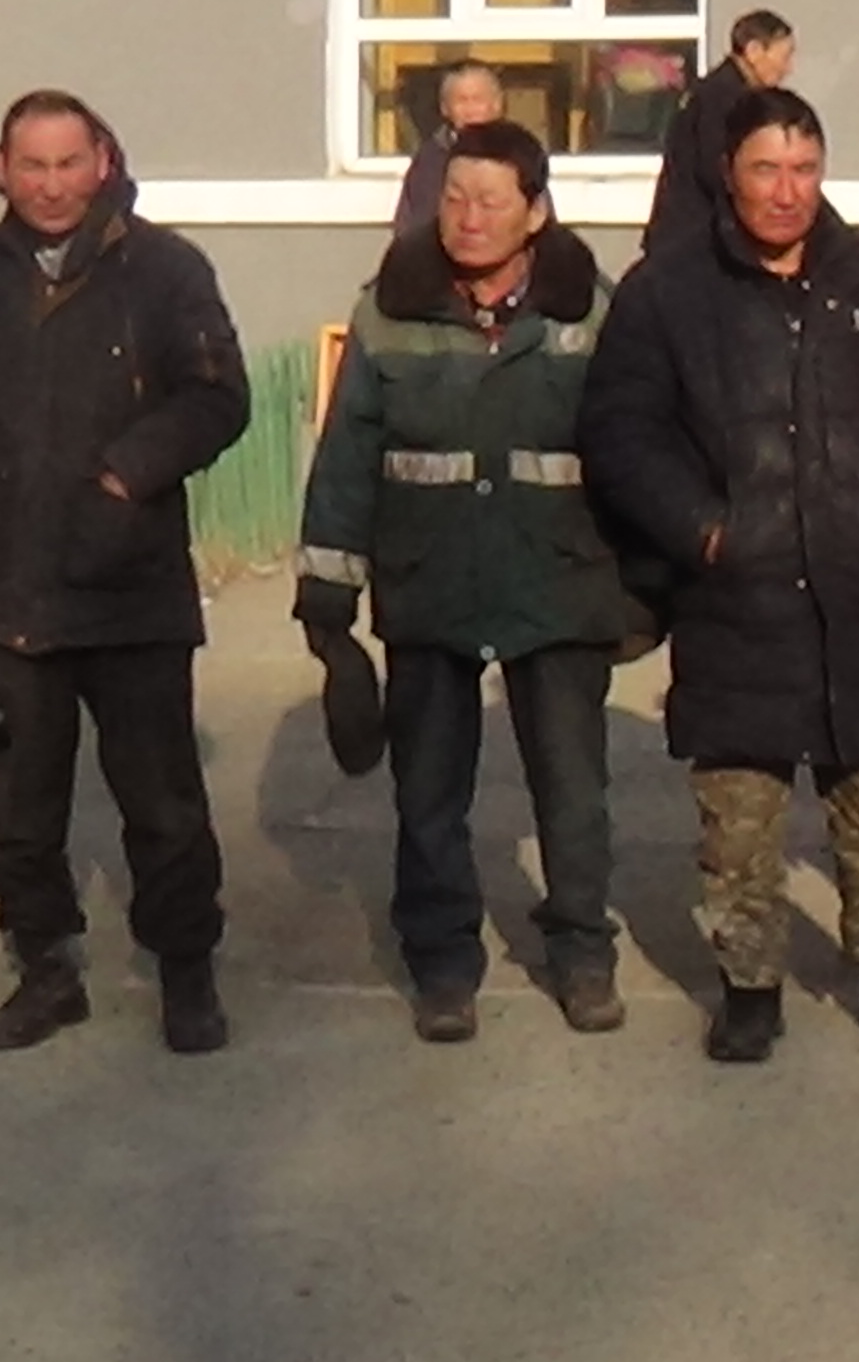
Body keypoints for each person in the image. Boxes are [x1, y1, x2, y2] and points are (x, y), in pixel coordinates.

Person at [582, 86, 859, 1063]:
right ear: (727, 175)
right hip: (734, 595)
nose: (786, 192)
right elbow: (622, 431)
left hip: (854, 589)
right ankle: (749, 988)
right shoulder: (668, 290)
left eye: (804, 169)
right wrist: (704, 531)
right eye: (765, 170)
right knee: (738, 828)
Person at [0, 92, 253, 1056]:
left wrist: (127, 472)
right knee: (20, 811)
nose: (51, 187)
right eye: (32, 166)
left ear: (102, 162)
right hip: (6, 582)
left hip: (129, 581)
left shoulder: (166, 268)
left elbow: (218, 397)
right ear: (3, 171)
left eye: (68, 164)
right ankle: (46, 968)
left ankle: (186, 970)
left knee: (164, 807)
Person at [298, 120, 646, 1046]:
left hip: (558, 583)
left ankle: (582, 953)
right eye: (454, 197)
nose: (468, 217)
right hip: (431, 583)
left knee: (573, 794)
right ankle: (443, 964)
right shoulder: (388, 310)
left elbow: (635, 447)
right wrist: (328, 597)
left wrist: (644, 587)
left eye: (491, 200)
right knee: (428, 794)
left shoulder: (593, 313)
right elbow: (346, 456)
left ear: (536, 212)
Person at [644, 10, 796, 262]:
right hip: (691, 248)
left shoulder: (722, 94)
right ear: (754, 51)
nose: (788, 69)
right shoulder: (723, 100)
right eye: (784, 56)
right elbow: (720, 173)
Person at [387, 61, 507, 241]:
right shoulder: (430, 161)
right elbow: (412, 228)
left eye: (477, 100)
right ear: (445, 108)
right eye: (461, 101)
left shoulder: (519, 155)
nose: (470, 111)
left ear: (497, 105)